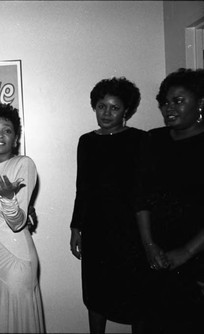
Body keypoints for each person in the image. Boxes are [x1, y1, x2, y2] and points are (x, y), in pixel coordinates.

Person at [69, 77, 147, 333]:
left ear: (127, 110)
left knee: (136, 296)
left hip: (130, 230)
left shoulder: (140, 140)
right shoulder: (87, 141)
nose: (106, 113)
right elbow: (83, 188)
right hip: (96, 229)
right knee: (96, 293)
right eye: (102, 106)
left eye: (114, 107)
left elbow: (143, 190)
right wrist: (75, 227)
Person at [136, 68, 204, 333]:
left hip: (197, 258)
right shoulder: (153, 139)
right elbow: (139, 197)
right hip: (154, 255)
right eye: (165, 102)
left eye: (178, 100)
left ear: (200, 103)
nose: (168, 108)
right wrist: (149, 245)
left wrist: (186, 252)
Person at [0, 103, 45, 333]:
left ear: (16, 138)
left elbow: (18, 222)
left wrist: (8, 198)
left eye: (7, 130)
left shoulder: (23, 164)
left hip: (15, 260)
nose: (0, 135)